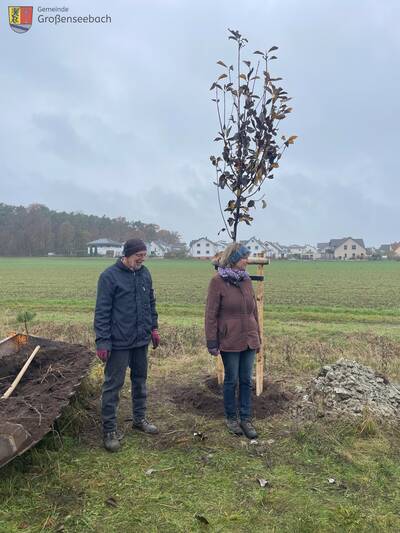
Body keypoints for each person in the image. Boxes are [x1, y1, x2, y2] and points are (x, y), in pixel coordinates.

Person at [94, 238, 160, 452]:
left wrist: (154, 328)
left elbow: (150, 302)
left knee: (140, 380)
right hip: (118, 342)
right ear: (126, 255)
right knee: (113, 385)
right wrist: (102, 341)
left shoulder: (144, 273)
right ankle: (110, 430)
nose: (141, 260)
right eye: (137, 256)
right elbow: (102, 312)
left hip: (141, 339)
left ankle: (139, 419)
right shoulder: (109, 277)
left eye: (144, 256)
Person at [205, 243, 260, 439]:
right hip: (230, 339)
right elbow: (211, 314)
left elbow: (253, 311)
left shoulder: (246, 281)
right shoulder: (217, 281)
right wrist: (212, 340)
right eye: (244, 257)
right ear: (234, 259)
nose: (247, 260)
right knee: (231, 380)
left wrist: (258, 336)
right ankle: (231, 418)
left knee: (246, 380)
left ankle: (245, 418)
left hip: (249, 338)